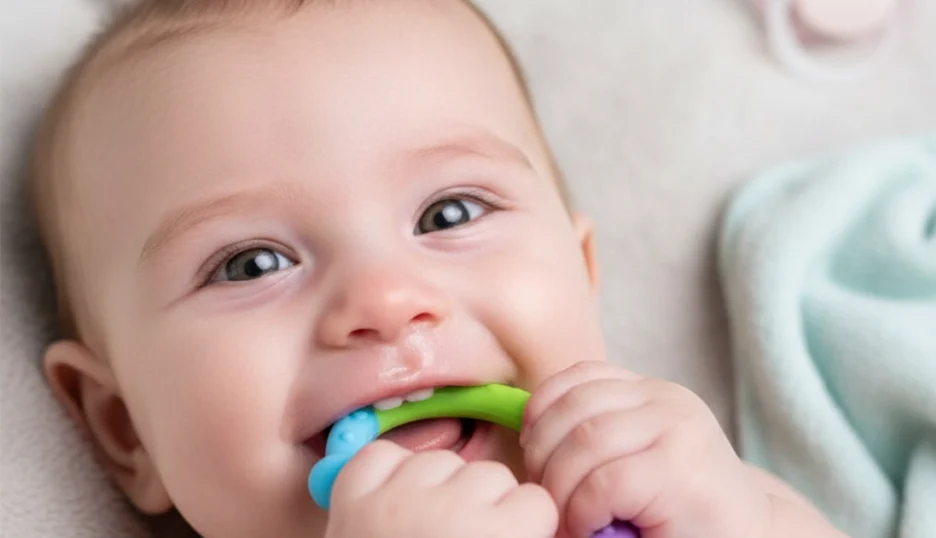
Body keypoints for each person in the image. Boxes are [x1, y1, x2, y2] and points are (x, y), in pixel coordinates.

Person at [28, 1, 846, 537]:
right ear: (124, 427)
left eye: (449, 214)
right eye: (251, 263)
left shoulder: (676, 482)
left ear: (583, 273)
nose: (385, 302)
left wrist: (731, 512)